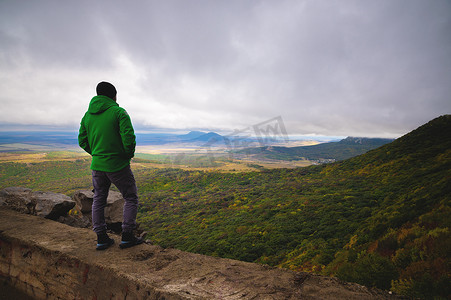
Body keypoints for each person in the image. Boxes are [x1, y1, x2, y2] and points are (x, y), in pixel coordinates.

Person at [78, 81, 143, 250]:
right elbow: (129, 138)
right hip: (117, 164)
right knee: (131, 197)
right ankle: (127, 236)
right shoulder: (118, 112)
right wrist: (125, 156)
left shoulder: (87, 115)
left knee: (99, 199)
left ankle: (101, 238)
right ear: (114, 95)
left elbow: (82, 140)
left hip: (97, 165)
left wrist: (97, 154)